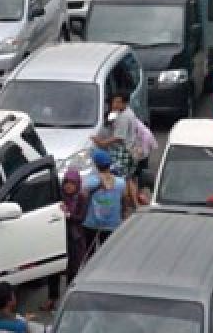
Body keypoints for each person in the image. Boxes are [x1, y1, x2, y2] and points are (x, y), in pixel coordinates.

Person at [43, 169, 88, 312]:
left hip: (75, 239)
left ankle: (68, 303)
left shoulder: (81, 198)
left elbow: (81, 218)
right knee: (54, 268)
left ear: (77, 184)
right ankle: (52, 299)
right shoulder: (58, 197)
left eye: (72, 183)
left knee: (72, 271)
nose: (68, 186)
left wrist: (68, 214)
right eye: (66, 183)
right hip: (58, 237)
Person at [91, 93, 142, 211]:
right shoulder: (126, 112)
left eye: (118, 102)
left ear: (125, 103)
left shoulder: (124, 117)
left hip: (123, 152)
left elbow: (119, 137)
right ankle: (135, 205)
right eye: (114, 102)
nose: (114, 104)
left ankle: (123, 206)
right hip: (131, 149)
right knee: (129, 178)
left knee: (119, 178)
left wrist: (102, 143)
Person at [82, 150, 125, 255]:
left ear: (96, 164)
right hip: (112, 224)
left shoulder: (90, 181)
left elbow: (83, 195)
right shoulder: (121, 182)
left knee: (89, 254)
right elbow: (123, 198)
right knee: (106, 255)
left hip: (92, 224)